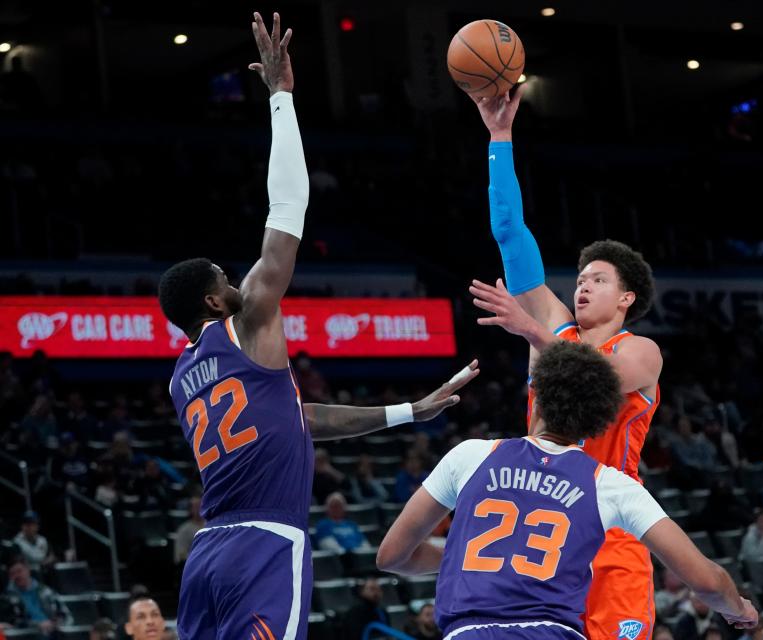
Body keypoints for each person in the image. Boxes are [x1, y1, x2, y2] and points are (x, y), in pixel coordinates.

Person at [162, 14, 480, 640]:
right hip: (264, 543)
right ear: (215, 299)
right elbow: (288, 208)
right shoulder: (247, 316)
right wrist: (282, 98)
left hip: (207, 556)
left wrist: (405, 412)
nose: (241, 279)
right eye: (229, 277)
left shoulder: (181, 379)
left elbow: (299, 420)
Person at [377, 342, 757, 640]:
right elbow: (706, 581)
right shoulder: (609, 484)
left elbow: (392, 556)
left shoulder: (472, 455)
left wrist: (467, 557)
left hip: (467, 631)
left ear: (536, 397)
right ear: (597, 422)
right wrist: (738, 607)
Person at [466, 85, 665, 640]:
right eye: (579, 278)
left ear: (626, 298)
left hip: (611, 521)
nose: (582, 285)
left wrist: (530, 329)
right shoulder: (557, 326)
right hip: (541, 523)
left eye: (598, 279)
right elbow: (510, 233)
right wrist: (499, 138)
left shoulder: (640, 351)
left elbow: (593, 378)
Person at [3, 557, 72, 637]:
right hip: (27, 636)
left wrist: (55, 623)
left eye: (19, 571)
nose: (17, 575)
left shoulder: (46, 591)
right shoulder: (7, 598)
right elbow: (13, 622)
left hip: (53, 633)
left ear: (27, 569)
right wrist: (37, 625)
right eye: (13, 573)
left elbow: (65, 614)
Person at [173, 496, 205, 565]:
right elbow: (181, 555)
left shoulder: (211, 525)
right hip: (193, 566)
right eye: (196, 506)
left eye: (201, 505)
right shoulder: (184, 529)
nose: (199, 508)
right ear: (190, 509)